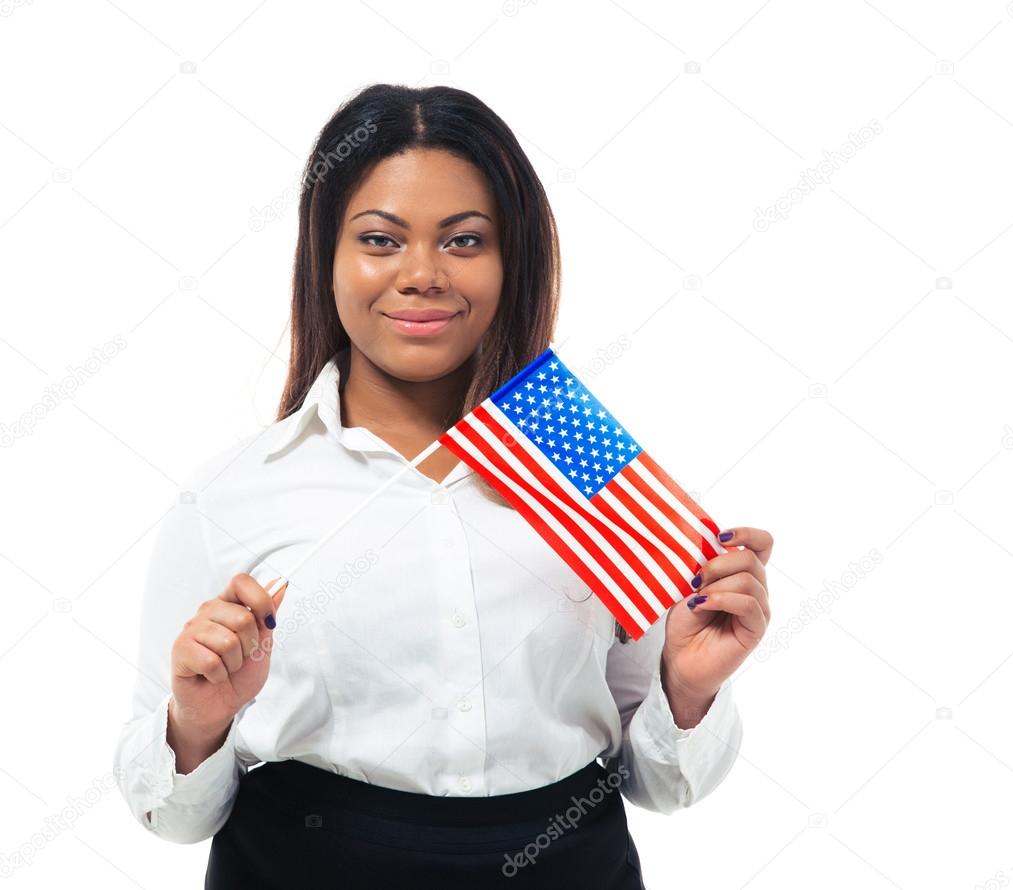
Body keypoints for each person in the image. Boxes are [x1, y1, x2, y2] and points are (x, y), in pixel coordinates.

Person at [113, 83, 772, 889]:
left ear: (512, 258)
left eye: (464, 241)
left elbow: (667, 785)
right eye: (380, 240)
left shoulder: (588, 472)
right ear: (327, 255)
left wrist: (689, 690)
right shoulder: (232, 497)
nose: (422, 274)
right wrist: (199, 723)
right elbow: (169, 815)